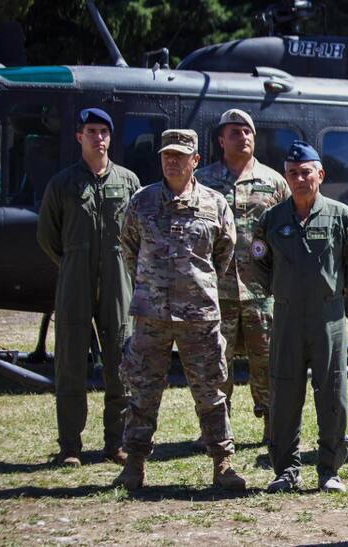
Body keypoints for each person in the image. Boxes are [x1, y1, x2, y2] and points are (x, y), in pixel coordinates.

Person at [113, 129, 245, 491]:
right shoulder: (142, 202)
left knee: (211, 391)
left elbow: (223, 254)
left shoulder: (215, 204)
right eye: (167, 155)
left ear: (195, 160)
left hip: (198, 315)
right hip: (151, 315)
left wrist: (194, 286)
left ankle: (223, 463)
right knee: (143, 390)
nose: (172, 161)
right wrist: (152, 286)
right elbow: (129, 249)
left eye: (180, 156)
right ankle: (134, 464)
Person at [251, 140, 348, 493]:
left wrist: (335, 292)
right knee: (284, 393)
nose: (299, 179)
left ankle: (329, 470)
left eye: (306, 172)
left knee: (332, 393)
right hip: (287, 316)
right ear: (286, 177)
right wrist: (281, 290)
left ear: (321, 174)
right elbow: (259, 261)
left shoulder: (340, 215)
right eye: (292, 173)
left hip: (327, 317)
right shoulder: (272, 219)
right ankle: (286, 470)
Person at [36, 107, 141, 467]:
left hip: (118, 282)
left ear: (111, 137)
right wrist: (73, 262)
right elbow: (48, 236)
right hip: (75, 283)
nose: (98, 138)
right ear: (79, 137)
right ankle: (70, 446)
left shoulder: (128, 182)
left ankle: (116, 443)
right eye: (91, 131)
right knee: (70, 365)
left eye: (104, 132)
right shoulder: (63, 184)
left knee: (121, 362)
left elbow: (140, 233)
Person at [195, 109, 288, 445]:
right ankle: (216, 431)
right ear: (221, 140)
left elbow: (288, 231)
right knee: (215, 363)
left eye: (247, 131)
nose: (243, 137)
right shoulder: (202, 180)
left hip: (261, 291)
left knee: (268, 361)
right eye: (234, 132)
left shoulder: (274, 182)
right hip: (215, 290)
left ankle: (272, 427)